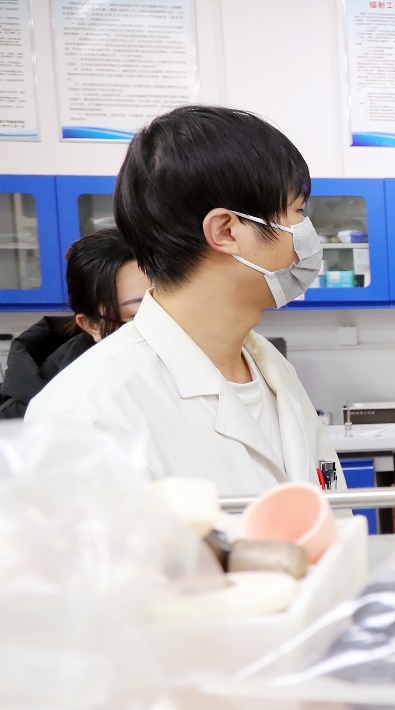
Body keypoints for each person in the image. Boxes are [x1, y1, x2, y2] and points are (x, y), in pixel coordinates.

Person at [25, 105, 340, 497]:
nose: (306, 232)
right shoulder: (86, 413)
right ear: (226, 231)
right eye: (297, 211)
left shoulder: (268, 368)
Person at [0, 228, 150, 418]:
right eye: (139, 315)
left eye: (169, 307)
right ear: (91, 325)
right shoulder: (25, 417)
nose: (165, 324)